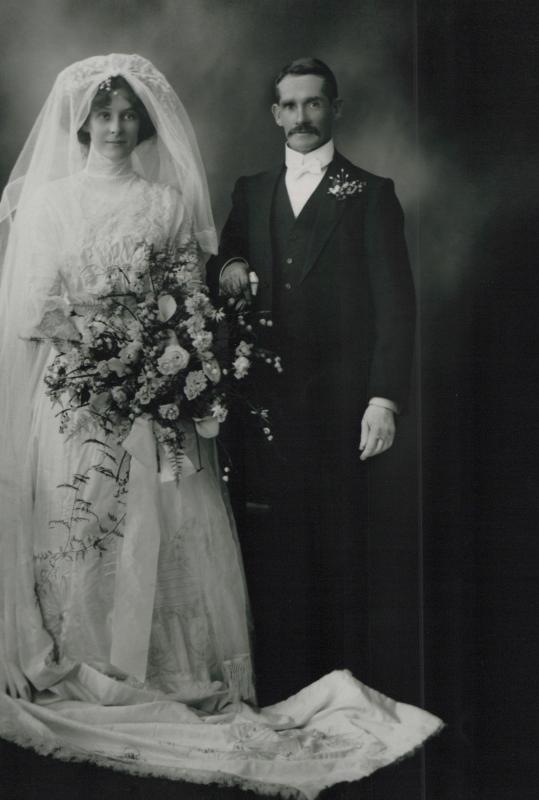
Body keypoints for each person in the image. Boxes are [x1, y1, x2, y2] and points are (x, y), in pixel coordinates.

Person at [0, 54, 440, 798]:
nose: (116, 128)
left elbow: (195, 289)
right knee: (85, 527)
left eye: (128, 116)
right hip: (78, 396)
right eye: (103, 116)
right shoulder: (49, 203)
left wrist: (162, 349)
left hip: (157, 399)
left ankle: (167, 668)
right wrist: (106, 348)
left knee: (168, 528)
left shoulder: (167, 201)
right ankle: (87, 661)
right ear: (81, 124)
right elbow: (28, 311)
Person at [207, 57, 416, 703]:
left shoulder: (369, 192)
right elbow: (225, 255)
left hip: (337, 404)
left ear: (334, 109)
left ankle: (336, 683)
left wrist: (382, 399)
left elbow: (394, 303)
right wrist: (231, 265)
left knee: (335, 546)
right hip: (260, 404)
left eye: (314, 104)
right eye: (289, 106)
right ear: (275, 114)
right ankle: (273, 684)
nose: (301, 117)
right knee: (266, 546)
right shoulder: (251, 188)